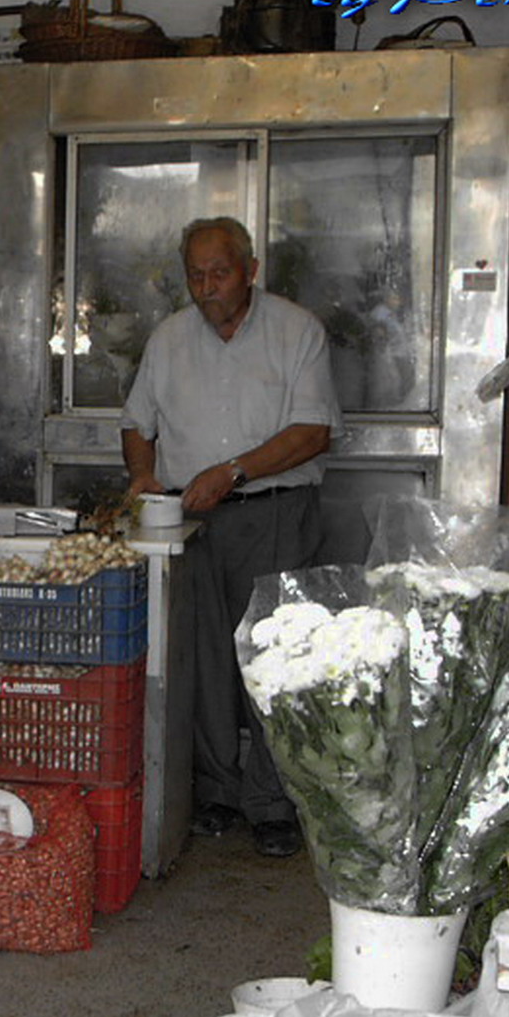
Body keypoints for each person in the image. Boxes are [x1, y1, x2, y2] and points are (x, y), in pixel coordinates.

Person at [120, 216, 341, 860]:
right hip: (191, 518)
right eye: (195, 275)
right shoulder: (168, 339)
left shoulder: (297, 331)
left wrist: (235, 470)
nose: (207, 287)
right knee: (203, 657)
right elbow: (137, 422)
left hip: (274, 511)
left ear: (251, 270)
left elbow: (314, 431)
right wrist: (141, 474)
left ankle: (273, 802)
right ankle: (216, 791)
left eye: (219, 272)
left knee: (274, 658)